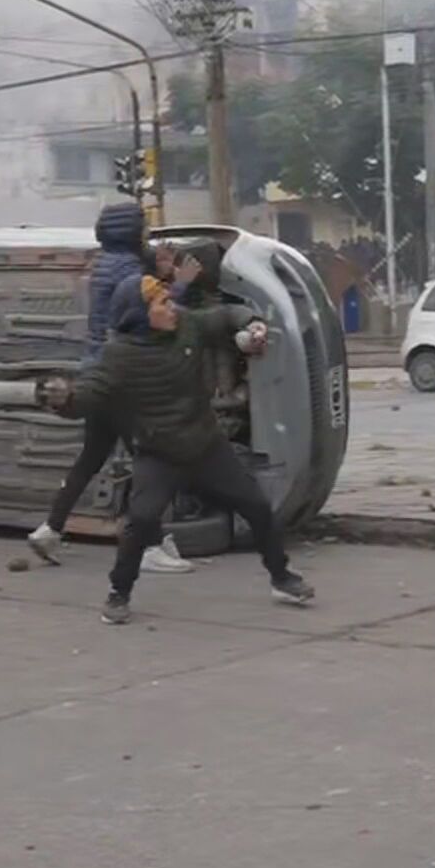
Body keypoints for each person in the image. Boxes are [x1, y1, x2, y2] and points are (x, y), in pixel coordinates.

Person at [41, 274, 316, 625]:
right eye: (163, 304)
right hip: (159, 453)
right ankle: (118, 593)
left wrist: (252, 323)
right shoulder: (118, 357)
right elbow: (87, 396)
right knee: (140, 521)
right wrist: (62, 398)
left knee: (258, 506)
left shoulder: (186, 325)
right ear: (140, 315)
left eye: (171, 300)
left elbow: (225, 315)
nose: (172, 308)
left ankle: (282, 579)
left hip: (206, 443)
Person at [28, 208, 193, 575]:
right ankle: (151, 544)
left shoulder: (108, 262)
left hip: (97, 372)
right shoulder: (125, 272)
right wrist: (180, 284)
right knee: (150, 458)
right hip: (121, 376)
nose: (148, 234)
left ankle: (50, 529)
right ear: (130, 232)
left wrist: (157, 265)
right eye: (144, 228)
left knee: (92, 456)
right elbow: (149, 312)